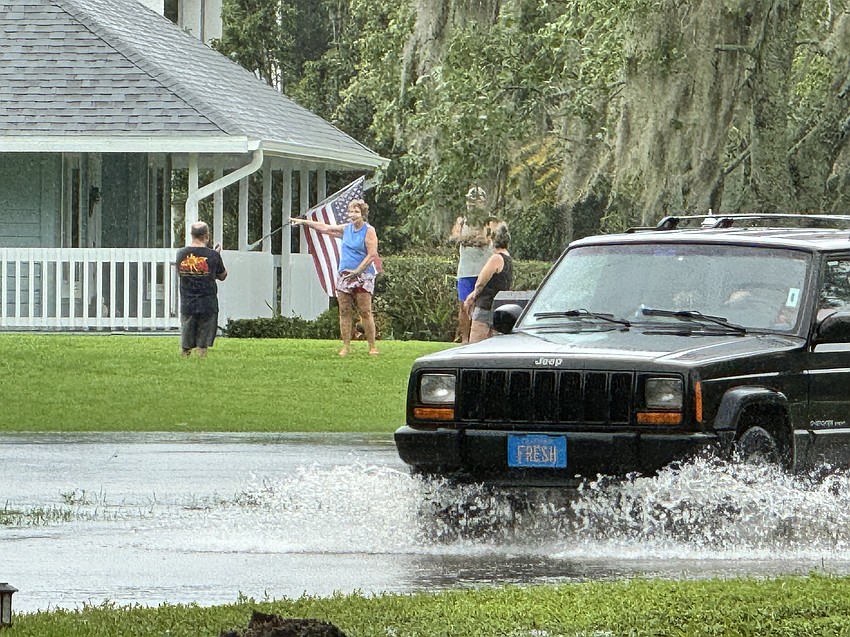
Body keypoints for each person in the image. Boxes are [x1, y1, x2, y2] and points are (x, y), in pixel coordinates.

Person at [290, 199, 379, 356]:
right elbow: (325, 228)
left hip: (363, 275)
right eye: (351, 212)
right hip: (344, 274)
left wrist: (358, 271)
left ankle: (372, 346)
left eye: (356, 212)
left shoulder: (368, 231)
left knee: (365, 311)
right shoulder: (346, 229)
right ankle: (345, 346)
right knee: (344, 310)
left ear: (363, 213)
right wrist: (303, 222)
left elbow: (372, 255)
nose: (353, 215)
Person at [176, 221, 227, 358]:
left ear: (191, 234)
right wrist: (216, 255)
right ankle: (201, 363)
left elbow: (181, 272)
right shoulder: (213, 256)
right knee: (203, 343)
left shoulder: (181, 254)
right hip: (207, 302)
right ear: (207, 236)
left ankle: (184, 360)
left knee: (186, 342)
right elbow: (222, 275)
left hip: (188, 302)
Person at [451, 185, 494, 343]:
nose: (471, 204)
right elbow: (455, 237)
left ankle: (485, 338)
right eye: (469, 201)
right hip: (466, 271)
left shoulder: (490, 221)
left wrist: (469, 239)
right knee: (464, 306)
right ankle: (465, 338)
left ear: (483, 202)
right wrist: (472, 239)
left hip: (485, 270)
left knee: (484, 306)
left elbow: (486, 239)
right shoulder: (462, 221)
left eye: (475, 201)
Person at [463, 221, 513, 343]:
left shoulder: (496, 258)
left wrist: (473, 295)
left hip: (486, 305)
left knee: (475, 342)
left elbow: (481, 280)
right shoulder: (508, 258)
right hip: (498, 306)